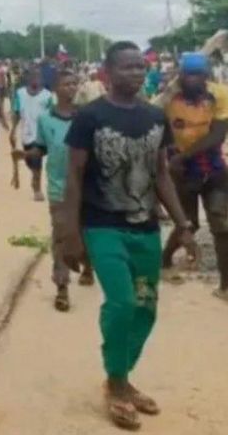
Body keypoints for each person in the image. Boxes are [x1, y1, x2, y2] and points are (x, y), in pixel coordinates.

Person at [63, 41, 195, 431]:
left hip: (146, 229)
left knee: (146, 307)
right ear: (107, 72)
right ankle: (117, 384)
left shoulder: (155, 116)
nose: (136, 72)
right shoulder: (90, 117)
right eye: (127, 67)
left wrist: (184, 225)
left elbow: (161, 174)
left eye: (140, 66)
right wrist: (70, 234)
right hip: (103, 226)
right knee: (121, 302)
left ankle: (120, 375)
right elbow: (74, 176)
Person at [155, 53, 228, 299]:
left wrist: (183, 156)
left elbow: (218, 135)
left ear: (206, 76)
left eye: (198, 75)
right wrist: (171, 160)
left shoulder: (220, 94)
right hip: (181, 172)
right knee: (188, 222)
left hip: (213, 168)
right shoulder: (169, 98)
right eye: (188, 75)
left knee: (221, 223)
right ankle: (165, 259)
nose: (193, 79)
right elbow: (152, 119)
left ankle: (226, 286)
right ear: (181, 76)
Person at [29, 70, 93, 313]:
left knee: (86, 231)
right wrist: (31, 154)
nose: (71, 87)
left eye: (74, 83)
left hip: (87, 185)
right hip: (59, 188)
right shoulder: (45, 120)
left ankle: (88, 266)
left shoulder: (86, 117)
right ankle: (62, 286)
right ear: (55, 89)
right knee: (61, 237)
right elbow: (41, 147)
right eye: (66, 84)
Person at [11, 69, 54, 201]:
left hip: (42, 134)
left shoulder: (47, 96)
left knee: (37, 159)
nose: (35, 79)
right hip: (27, 133)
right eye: (33, 76)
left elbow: (52, 114)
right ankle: (32, 170)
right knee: (30, 161)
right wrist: (13, 130)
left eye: (38, 76)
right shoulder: (20, 93)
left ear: (41, 79)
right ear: (28, 78)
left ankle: (37, 189)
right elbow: (16, 112)